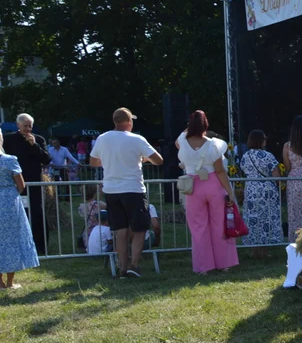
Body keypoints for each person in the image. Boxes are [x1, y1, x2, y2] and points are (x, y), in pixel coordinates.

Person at [89, 107, 164, 278]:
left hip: (111, 190)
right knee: (139, 229)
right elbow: (159, 160)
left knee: (120, 230)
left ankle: (123, 267)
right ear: (129, 122)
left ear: (114, 121)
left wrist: (109, 161)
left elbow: (93, 162)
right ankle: (134, 265)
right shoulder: (136, 139)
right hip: (133, 189)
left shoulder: (102, 138)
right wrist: (143, 159)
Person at [176, 110, 238, 274]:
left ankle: (203, 266)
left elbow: (179, 140)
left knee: (198, 227)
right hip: (213, 185)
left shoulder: (182, 141)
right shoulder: (213, 145)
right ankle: (224, 263)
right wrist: (229, 192)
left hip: (192, 187)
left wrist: (190, 125)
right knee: (219, 224)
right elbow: (220, 171)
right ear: (206, 125)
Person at [2, 113, 50, 254]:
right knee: (16, 214)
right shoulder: (8, 139)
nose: (28, 129)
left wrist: (34, 145)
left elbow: (47, 159)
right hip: (14, 184)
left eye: (30, 126)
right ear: (18, 126)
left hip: (34, 184)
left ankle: (40, 246)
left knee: (37, 214)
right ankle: (15, 246)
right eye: (25, 126)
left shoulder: (39, 140)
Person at [0, 134, 40, 289]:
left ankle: (0, 283)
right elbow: (21, 185)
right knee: (12, 240)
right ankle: (9, 283)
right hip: (10, 202)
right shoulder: (10, 160)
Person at [238, 129, 282, 257]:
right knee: (266, 219)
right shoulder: (268, 156)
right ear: (260, 140)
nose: (265, 141)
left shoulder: (246, 156)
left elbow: (243, 170)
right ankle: (264, 250)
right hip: (267, 191)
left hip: (251, 190)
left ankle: (254, 249)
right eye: (264, 138)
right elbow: (276, 176)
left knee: (253, 219)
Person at [77, 184, 105, 249]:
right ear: (95, 193)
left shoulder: (82, 207)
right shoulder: (100, 205)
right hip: (98, 231)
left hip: (87, 233)